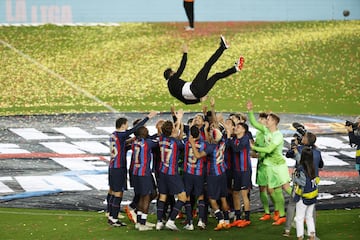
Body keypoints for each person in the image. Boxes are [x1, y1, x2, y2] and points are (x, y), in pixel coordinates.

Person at [107, 111, 157, 227]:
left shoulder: (114, 135)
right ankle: (114, 218)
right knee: (118, 193)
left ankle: (110, 215)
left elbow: (124, 144)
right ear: (123, 125)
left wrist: (131, 141)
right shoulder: (122, 135)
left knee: (114, 191)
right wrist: (148, 117)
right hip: (119, 167)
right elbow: (135, 128)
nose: (128, 127)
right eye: (127, 125)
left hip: (112, 166)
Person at [164, 36, 244, 105]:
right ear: (170, 74)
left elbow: (186, 102)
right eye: (173, 72)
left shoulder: (171, 90)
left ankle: (236, 68)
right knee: (208, 65)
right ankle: (223, 47)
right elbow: (181, 68)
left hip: (200, 93)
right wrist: (185, 54)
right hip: (195, 87)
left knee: (216, 76)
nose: (175, 73)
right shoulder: (172, 80)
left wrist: (199, 100)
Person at [248, 101, 292, 226]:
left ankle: (303, 200)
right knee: (276, 190)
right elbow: (254, 123)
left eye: (268, 119)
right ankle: (282, 215)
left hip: (279, 166)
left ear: (274, 122)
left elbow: (268, 150)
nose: (266, 120)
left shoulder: (278, 136)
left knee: (286, 188)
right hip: (269, 166)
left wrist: (254, 148)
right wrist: (250, 110)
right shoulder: (266, 131)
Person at [189, 127, 231, 231]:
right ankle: (227, 221)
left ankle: (221, 220)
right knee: (223, 197)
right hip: (222, 173)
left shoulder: (210, 147)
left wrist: (192, 144)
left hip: (213, 175)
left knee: (212, 199)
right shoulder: (223, 142)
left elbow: (198, 155)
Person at [283, 132, 324, 238]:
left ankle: (289, 230)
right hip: (313, 187)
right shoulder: (317, 152)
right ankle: (312, 235)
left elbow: (289, 154)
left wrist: (294, 146)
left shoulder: (301, 154)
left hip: (301, 189)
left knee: (297, 212)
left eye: (304, 137)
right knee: (310, 214)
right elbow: (321, 164)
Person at [155, 110, 187, 231]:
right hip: (172, 173)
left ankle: (159, 222)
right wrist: (179, 119)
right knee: (183, 197)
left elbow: (173, 132)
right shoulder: (177, 143)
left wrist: (177, 120)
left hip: (162, 172)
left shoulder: (161, 139)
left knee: (162, 196)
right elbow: (178, 136)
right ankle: (171, 220)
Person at [225, 122, 252, 228]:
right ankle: (238, 216)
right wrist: (229, 137)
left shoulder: (245, 139)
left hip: (245, 170)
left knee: (244, 194)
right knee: (235, 193)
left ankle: (247, 218)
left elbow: (237, 148)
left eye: (238, 127)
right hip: (236, 171)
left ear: (243, 130)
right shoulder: (234, 139)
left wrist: (229, 138)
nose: (236, 128)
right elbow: (227, 146)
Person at [132, 126, 158, 231]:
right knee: (146, 197)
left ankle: (139, 222)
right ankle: (142, 224)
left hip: (136, 173)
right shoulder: (147, 143)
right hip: (144, 173)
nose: (147, 130)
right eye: (145, 130)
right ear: (142, 133)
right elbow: (158, 142)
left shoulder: (135, 142)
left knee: (141, 197)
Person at [183, 125, 207, 230]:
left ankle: (190, 222)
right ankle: (201, 221)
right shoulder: (204, 144)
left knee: (187, 196)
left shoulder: (187, 143)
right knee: (200, 196)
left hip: (188, 172)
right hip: (199, 173)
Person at [293, 147, 319, 240]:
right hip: (313, 195)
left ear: (303, 157)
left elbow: (301, 182)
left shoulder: (301, 169)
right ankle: (312, 236)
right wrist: (296, 153)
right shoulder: (314, 166)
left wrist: (294, 176)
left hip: (303, 197)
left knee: (299, 218)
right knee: (309, 216)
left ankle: (300, 237)